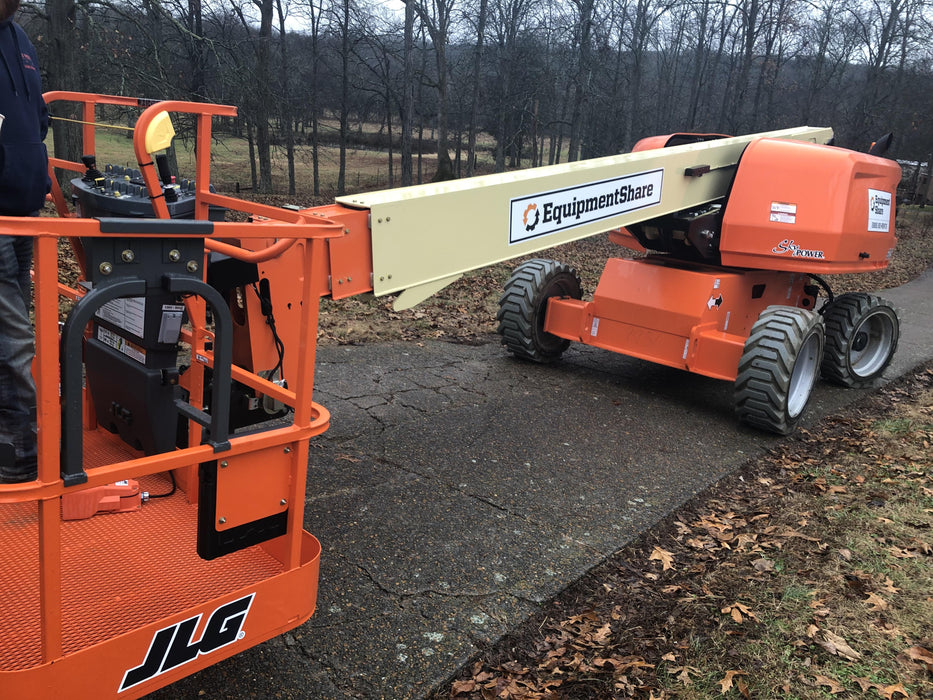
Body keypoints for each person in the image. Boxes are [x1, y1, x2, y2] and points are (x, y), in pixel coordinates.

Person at [0, 0, 50, 483]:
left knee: (16, 328)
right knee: (11, 337)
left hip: (24, 210)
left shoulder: (19, 38)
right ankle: (17, 454)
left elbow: (36, 114)